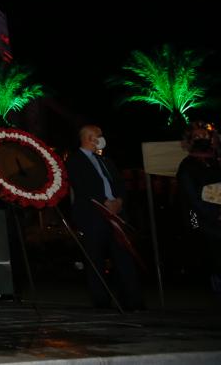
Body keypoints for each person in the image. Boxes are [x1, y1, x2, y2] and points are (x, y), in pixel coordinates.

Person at [64, 124, 143, 310]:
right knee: (95, 258)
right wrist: (103, 202)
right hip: (93, 215)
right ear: (88, 137)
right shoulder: (74, 161)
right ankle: (101, 301)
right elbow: (81, 187)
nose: (100, 138)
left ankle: (132, 300)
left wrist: (119, 202)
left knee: (123, 256)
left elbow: (120, 184)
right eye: (98, 135)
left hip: (115, 214)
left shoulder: (106, 161)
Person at [175, 121, 221, 297]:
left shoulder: (215, 162)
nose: (202, 139)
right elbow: (192, 199)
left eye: (205, 136)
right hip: (196, 216)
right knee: (207, 243)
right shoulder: (187, 166)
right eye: (197, 137)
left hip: (216, 215)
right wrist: (214, 214)